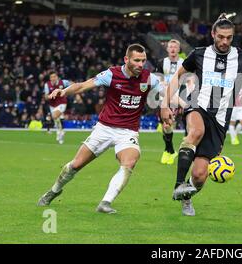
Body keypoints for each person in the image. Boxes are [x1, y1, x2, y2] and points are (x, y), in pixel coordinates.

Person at [161, 13, 242, 216]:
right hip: (198, 106)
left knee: (200, 175)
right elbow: (177, 78)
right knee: (195, 131)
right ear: (213, 34)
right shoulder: (199, 54)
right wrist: (164, 105)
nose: (224, 41)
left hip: (220, 120)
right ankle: (178, 184)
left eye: (229, 37)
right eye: (220, 36)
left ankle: (186, 195)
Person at [37, 44, 162, 214]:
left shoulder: (149, 78)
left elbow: (166, 92)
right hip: (104, 129)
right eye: (137, 60)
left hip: (128, 132)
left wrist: (170, 105)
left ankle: (105, 203)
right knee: (74, 166)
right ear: (127, 60)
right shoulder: (111, 74)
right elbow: (81, 86)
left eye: (143, 61)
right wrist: (64, 92)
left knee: (129, 163)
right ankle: (54, 190)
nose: (141, 64)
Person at [154, 39, 184, 165]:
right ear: (167, 49)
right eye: (170, 47)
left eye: (175, 47)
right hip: (164, 97)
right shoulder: (162, 63)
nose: (172, 49)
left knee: (168, 125)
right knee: (166, 126)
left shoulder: (184, 63)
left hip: (177, 97)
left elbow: (189, 80)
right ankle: (170, 150)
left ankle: (170, 151)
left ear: (178, 49)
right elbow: (157, 79)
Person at [44, 72, 72, 144]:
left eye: (54, 77)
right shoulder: (47, 85)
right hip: (52, 104)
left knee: (54, 116)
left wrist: (69, 91)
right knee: (56, 119)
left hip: (62, 103)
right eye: (51, 77)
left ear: (57, 77)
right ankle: (61, 132)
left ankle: (59, 131)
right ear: (50, 78)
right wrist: (49, 96)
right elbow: (46, 96)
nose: (53, 78)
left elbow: (73, 84)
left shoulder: (63, 82)